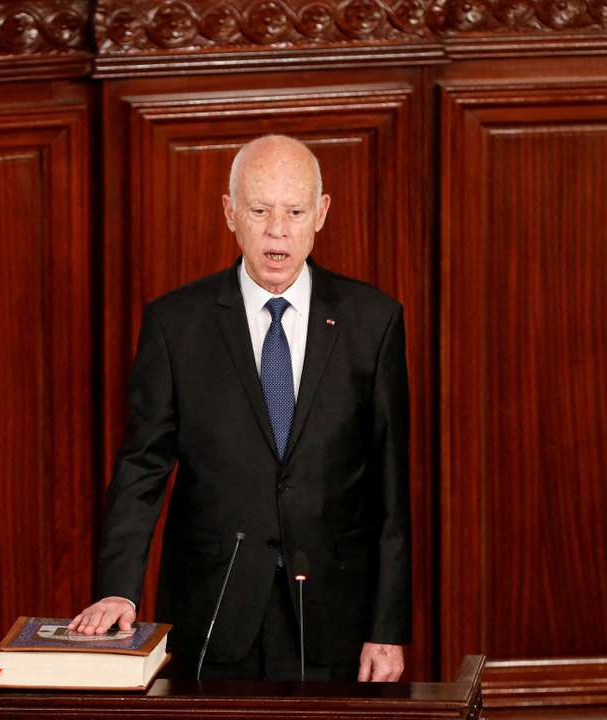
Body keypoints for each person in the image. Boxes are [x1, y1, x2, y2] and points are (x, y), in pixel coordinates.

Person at [68, 135, 410, 682]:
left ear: (321, 213)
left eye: (295, 211)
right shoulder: (176, 325)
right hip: (213, 606)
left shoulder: (373, 321)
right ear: (230, 212)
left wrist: (387, 627)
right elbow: (141, 468)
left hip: (334, 611)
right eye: (259, 211)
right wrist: (118, 590)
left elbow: (391, 487)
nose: (278, 230)